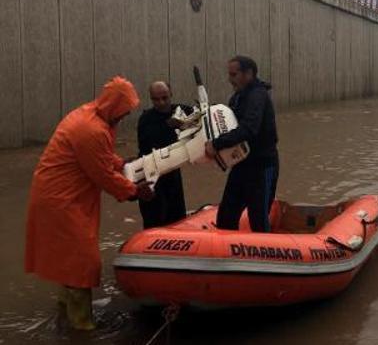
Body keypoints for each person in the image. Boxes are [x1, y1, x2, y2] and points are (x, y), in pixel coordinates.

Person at [25, 76, 154, 330]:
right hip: (62, 200)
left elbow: (102, 158)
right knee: (83, 260)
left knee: (70, 257)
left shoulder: (90, 116)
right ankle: (82, 326)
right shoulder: (91, 129)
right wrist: (134, 191)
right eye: (123, 112)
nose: (123, 117)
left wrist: (122, 164)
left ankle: (64, 313)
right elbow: (102, 174)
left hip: (61, 195)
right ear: (114, 106)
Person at [205, 56, 279, 232]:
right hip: (241, 165)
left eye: (234, 74)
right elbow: (229, 127)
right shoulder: (237, 98)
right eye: (229, 74)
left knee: (258, 220)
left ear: (249, 74)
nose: (230, 79)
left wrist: (216, 144)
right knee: (226, 217)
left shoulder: (258, 96)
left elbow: (249, 129)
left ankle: (266, 254)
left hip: (261, 166)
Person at [136, 82, 193, 229]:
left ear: (171, 95)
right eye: (156, 99)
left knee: (177, 220)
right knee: (154, 221)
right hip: (151, 176)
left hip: (173, 175)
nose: (161, 103)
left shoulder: (181, 111)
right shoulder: (146, 120)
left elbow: (201, 117)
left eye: (164, 98)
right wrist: (169, 126)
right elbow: (148, 148)